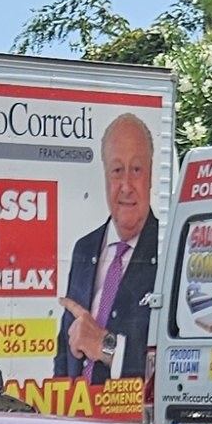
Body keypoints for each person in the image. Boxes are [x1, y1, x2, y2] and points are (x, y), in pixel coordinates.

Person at [54, 113, 160, 392]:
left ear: (151, 174)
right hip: (79, 423)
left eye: (136, 169)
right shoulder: (84, 250)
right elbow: (65, 355)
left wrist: (106, 347)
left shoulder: (168, 252)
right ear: (105, 175)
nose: (126, 185)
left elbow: (173, 364)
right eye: (117, 170)